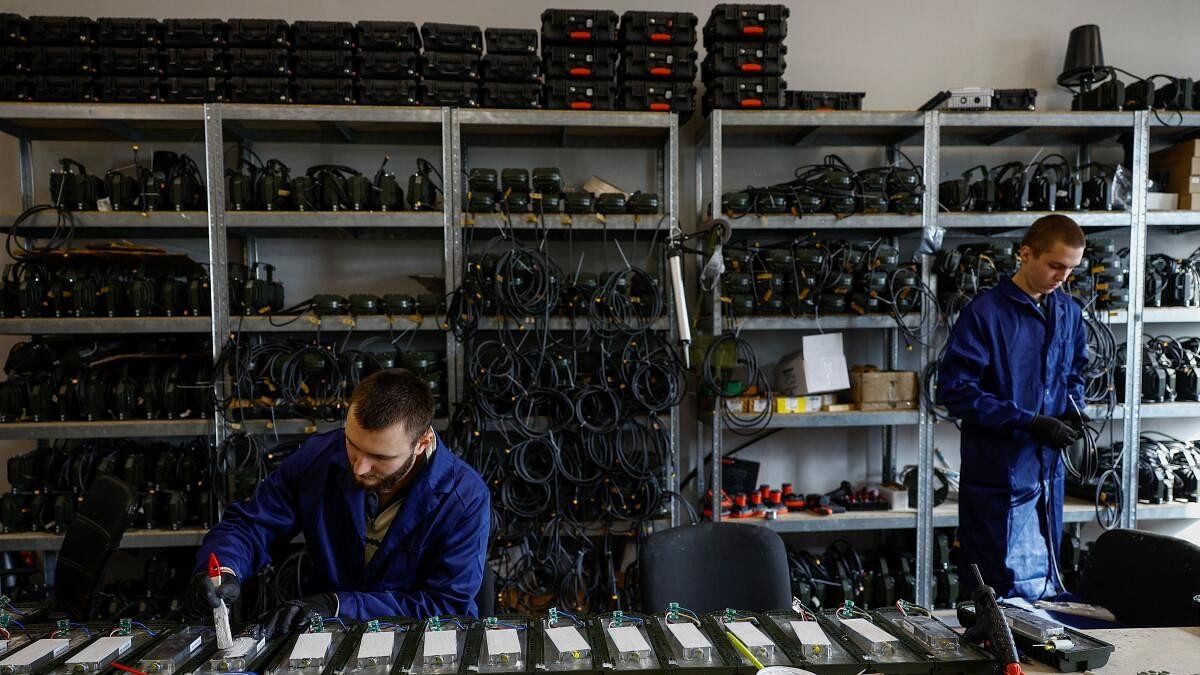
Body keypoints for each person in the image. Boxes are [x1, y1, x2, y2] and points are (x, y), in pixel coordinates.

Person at [184, 368, 490, 635]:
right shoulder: (317, 459)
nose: (359, 467)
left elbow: (446, 606)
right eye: (353, 445)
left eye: (380, 458)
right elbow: (252, 526)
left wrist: (339, 604)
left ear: (421, 444)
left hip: (421, 646)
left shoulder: (464, 497)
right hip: (330, 637)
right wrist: (223, 567)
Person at [938, 214, 1088, 600]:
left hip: (1047, 475)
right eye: (1055, 265)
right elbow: (956, 391)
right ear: (1025, 253)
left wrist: (1074, 408)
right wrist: (1027, 421)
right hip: (998, 479)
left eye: (1071, 269)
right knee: (995, 592)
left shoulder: (1068, 313)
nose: (1062, 277)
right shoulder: (985, 315)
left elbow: (1075, 372)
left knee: (1045, 589)